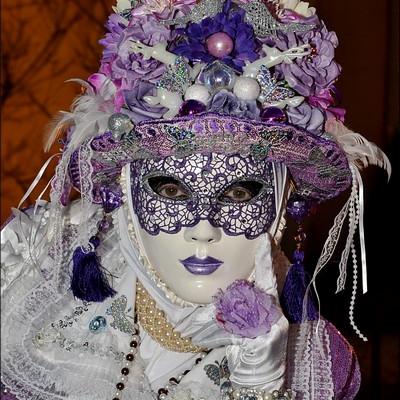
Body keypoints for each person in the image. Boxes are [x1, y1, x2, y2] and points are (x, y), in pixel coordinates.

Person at [1, 1, 390, 399]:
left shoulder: (312, 372)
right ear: (127, 196)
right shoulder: (34, 315)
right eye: (170, 190)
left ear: (281, 206)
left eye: (239, 193)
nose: (204, 230)